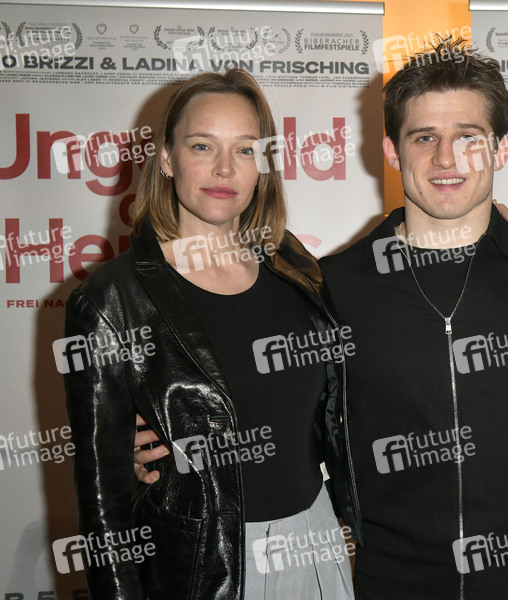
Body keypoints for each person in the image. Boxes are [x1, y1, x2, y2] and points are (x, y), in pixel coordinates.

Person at [134, 38, 508, 599]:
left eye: (468, 138)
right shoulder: (330, 287)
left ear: (501, 149)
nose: (446, 160)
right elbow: (270, 410)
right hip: (385, 587)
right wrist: (157, 434)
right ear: (392, 151)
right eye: (424, 137)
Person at [61, 69, 354, 599]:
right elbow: (103, 510)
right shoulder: (113, 299)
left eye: (245, 149)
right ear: (166, 158)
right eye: (202, 146)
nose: (225, 168)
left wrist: (493, 220)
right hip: (205, 565)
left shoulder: (294, 265)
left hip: (315, 542)